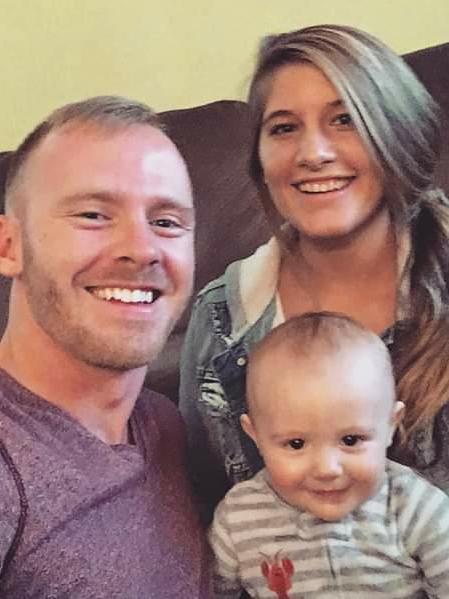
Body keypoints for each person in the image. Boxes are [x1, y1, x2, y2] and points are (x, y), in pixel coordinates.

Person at [179, 24, 449, 523]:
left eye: (344, 120)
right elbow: (205, 507)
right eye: (284, 128)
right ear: (259, 161)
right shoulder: (218, 322)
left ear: (397, 135)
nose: (313, 154)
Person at [0, 96, 210, 598]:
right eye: (93, 215)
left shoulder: (164, 425)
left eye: (166, 222)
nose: (141, 249)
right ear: (9, 246)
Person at [209, 312, 449, 598]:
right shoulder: (239, 519)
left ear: (390, 426)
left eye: (351, 440)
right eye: (296, 444)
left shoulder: (416, 508)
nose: (327, 468)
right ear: (256, 436)